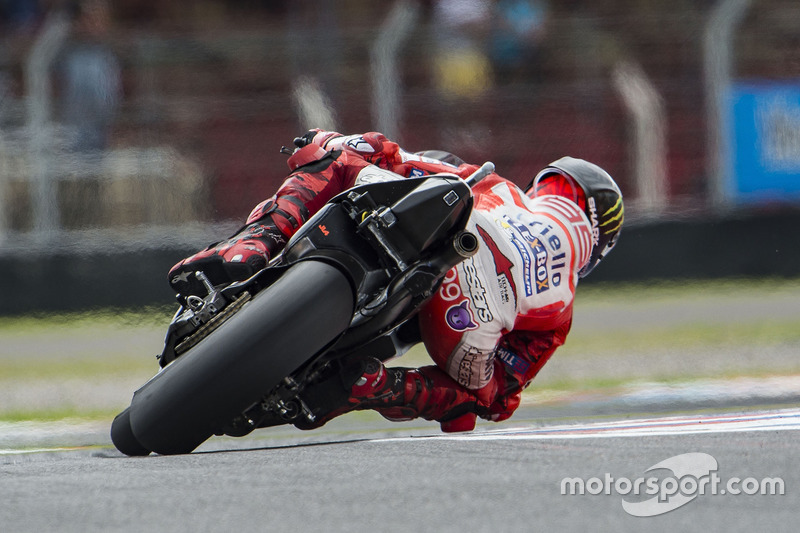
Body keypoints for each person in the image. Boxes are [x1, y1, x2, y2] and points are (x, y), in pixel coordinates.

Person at [168, 130, 624, 432]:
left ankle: (254, 243)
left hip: (469, 235)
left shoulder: (501, 188)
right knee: (488, 397)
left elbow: (396, 157)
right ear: (599, 248)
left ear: (546, 187)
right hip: (471, 325)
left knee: (335, 153)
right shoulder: (561, 310)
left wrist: (338, 144)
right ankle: (379, 385)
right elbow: (501, 396)